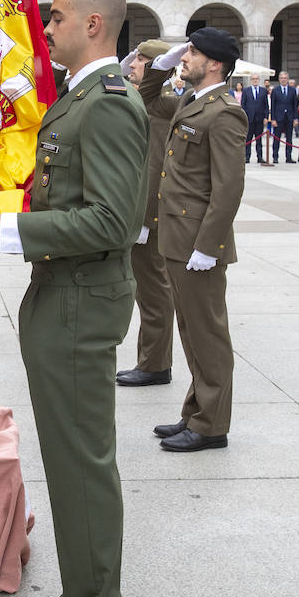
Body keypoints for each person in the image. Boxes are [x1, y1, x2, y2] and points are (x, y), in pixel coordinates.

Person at [0, 0, 146, 597]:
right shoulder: (79, 100)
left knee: (82, 464)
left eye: (58, 18)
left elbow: (111, 220)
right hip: (61, 293)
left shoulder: (109, 103)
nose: (47, 29)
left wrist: (8, 230)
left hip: (81, 301)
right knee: (69, 462)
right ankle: (81, 596)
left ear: (94, 25)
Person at [139, 28, 245, 455]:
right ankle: (196, 411)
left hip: (197, 243)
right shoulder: (191, 100)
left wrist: (208, 246)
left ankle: (211, 424)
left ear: (215, 64)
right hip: (178, 238)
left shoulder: (224, 113)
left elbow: (228, 188)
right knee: (190, 331)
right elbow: (147, 97)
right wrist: (163, 66)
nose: (184, 57)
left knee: (208, 334)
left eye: (193, 53)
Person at [115, 39, 177, 388]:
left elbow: (156, 166)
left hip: (149, 212)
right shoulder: (133, 96)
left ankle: (155, 364)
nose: (134, 64)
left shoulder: (164, 104)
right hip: (132, 207)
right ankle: (151, 359)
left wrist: (146, 217)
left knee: (153, 290)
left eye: (141, 60)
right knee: (144, 289)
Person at [269, 71, 298, 163]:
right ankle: (275, 157)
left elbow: (295, 105)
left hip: (289, 117)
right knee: (277, 138)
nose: (283, 79)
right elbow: (273, 105)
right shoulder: (275, 90)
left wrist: (295, 118)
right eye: (282, 78)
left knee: (289, 138)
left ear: (288, 79)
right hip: (278, 117)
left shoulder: (292, 90)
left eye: (285, 78)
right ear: (279, 79)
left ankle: (288, 157)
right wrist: (273, 119)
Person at [239, 72, 268, 164]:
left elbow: (266, 105)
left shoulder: (263, 91)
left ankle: (260, 157)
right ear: (251, 80)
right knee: (248, 139)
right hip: (249, 119)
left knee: (259, 139)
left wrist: (266, 117)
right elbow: (243, 105)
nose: (255, 80)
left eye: (256, 79)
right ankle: (247, 157)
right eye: (253, 79)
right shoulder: (246, 91)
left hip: (259, 118)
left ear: (259, 80)